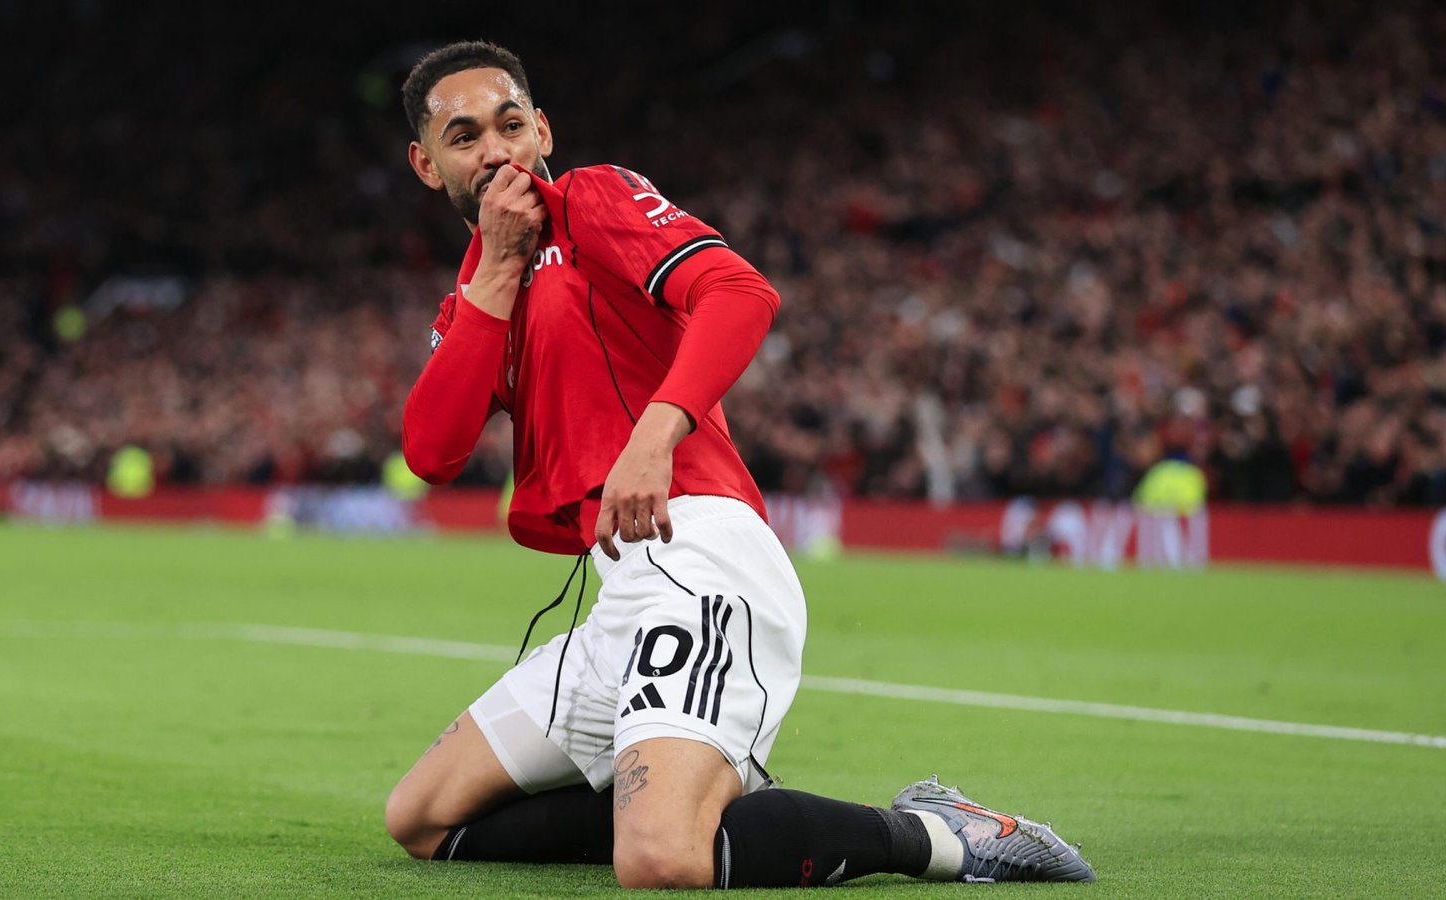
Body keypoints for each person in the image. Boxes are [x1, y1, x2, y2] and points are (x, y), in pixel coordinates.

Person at [382, 40, 1096, 888]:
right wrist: (496, 272)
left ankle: (940, 836)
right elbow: (431, 451)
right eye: (466, 138)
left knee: (659, 861)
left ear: (543, 129)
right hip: (621, 595)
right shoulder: (475, 290)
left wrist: (653, 436)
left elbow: (741, 292)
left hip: (702, 553)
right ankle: (706, 805)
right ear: (428, 167)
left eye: (510, 125)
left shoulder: (593, 198)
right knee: (422, 817)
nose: (497, 151)